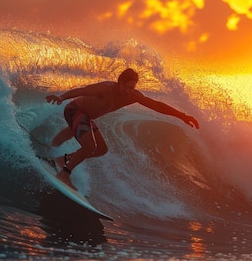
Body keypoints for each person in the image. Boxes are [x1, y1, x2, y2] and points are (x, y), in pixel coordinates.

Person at [45, 68, 199, 190]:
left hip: (86, 117)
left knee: (100, 149)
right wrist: (62, 97)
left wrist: (182, 116)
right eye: (126, 86)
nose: (128, 91)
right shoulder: (106, 88)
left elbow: (157, 105)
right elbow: (83, 90)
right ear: (119, 82)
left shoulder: (133, 96)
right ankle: (64, 173)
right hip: (75, 110)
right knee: (90, 146)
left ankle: (57, 157)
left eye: (131, 88)